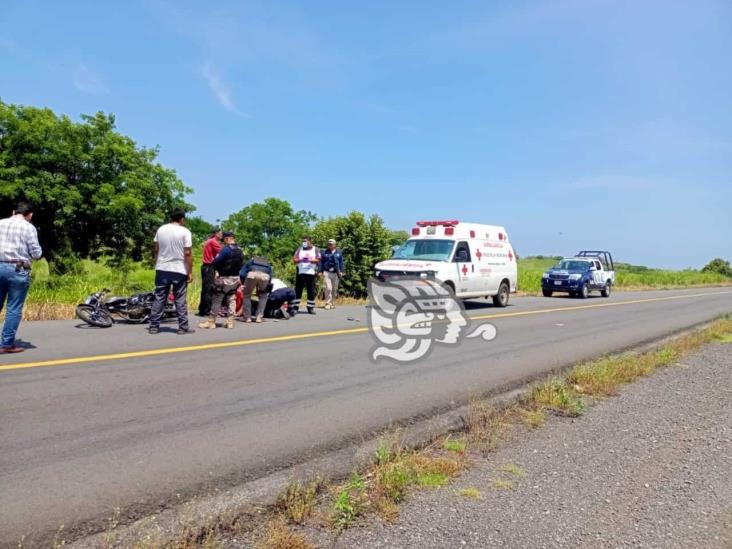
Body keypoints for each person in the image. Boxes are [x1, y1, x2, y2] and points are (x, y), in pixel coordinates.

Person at [0, 202, 43, 353]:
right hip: (17, 269)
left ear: (13, 212)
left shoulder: (1, 223)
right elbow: (37, 254)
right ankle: (6, 344)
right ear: (30, 215)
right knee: (13, 308)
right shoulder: (29, 227)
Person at [149, 209, 194, 335]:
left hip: (162, 268)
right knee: (179, 298)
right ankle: (182, 327)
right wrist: (190, 272)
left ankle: (154, 326)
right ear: (182, 219)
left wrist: (157, 263)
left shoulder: (161, 229)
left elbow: (156, 249)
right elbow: (188, 253)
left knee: (160, 297)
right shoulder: (185, 232)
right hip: (179, 269)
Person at [199, 231, 243, 330]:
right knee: (232, 299)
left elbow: (216, 262)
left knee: (217, 299)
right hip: (235, 278)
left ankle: (211, 322)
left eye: (224, 239)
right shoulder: (239, 250)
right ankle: (230, 321)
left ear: (227, 238)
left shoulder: (226, 250)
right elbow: (241, 264)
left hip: (225, 278)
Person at [239, 255, 273, 323]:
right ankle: (259, 317)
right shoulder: (267, 263)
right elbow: (270, 276)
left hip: (252, 274)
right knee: (263, 296)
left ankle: (247, 317)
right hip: (265, 276)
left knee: (247, 295)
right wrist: (267, 286)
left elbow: (242, 273)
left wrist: (243, 283)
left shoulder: (250, 261)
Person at [292, 236, 320, 315]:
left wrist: (309, 260)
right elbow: (294, 260)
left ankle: (310, 307)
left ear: (310, 242)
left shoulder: (315, 249)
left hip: (310, 272)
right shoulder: (299, 249)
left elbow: (318, 259)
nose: (304, 243)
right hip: (300, 272)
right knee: (298, 290)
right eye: (303, 241)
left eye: (305, 241)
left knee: (311, 290)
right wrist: (301, 260)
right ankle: (295, 307)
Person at [197, 227, 222, 316]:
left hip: (206, 267)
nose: (221, 235)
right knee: (209, 289)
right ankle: (207, 310)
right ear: (216, 233)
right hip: (209, 267)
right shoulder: (213, 242)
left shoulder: (209, 241)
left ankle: (202, 310)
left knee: (205, 289)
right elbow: (223, 252)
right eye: (220, 233)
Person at [319, 238, 345, 310]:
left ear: (334, 245)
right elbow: (320, 262)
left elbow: (341, 262)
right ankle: (327, 303)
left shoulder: (339, 252)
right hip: (327, 272)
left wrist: (342, 271)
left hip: (336, 273)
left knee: (334, 289)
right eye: (329, 244)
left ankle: (332, 303)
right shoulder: (324, 252)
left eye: (331, 244)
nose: (329, 245)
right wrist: (320, 271)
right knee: (328, 288)